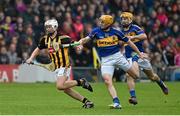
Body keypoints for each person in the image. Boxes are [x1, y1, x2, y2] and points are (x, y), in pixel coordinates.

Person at [78, 15, 146, 109]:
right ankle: (116, 102)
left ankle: (133, 85)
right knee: (107, 80)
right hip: (106, 60)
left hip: (118, 57)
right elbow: (86, 39)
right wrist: (80, 43)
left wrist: (139, 53)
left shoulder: (117, 32)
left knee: (136, 76)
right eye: (100, 21)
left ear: (108, 23)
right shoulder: (96, 31)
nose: (100, 23)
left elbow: (130, 42)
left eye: (102, 22)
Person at [25, 19, 94, 108]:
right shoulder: (45, 39)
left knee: (59, 86)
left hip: (64, 65)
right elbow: (38, 49)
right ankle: (87, 102)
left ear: (55, 27)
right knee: (66, 89)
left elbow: (75, 43)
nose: (48, 29)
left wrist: (79, 46)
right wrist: (31, 58)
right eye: (46, 27)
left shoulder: (63, 38)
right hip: (56, 67)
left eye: (49, 27)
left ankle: (81, 82)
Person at [120, 12, 169, 105]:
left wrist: (132, 37)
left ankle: (161, 84)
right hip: (129, 56)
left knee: (152, 77)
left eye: (126, 18)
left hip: (140, 55)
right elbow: (119, 43)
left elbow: (144, 36)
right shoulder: (121, 31)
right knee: (128, 75)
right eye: (122, 18)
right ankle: (133, 97)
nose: (123, 20)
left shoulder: (135, 28)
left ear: (130, 20)